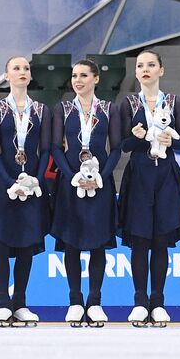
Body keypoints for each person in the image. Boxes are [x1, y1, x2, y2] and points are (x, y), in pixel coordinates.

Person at [118, 50, 180, 324]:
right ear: (135, 72)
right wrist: (137, 137)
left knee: (160, 241)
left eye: (151, 65)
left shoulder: (174, 101)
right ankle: (139, 300)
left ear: (162, 70)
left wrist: (171, 142)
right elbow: (123, 145)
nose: (145, 69)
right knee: (140, 241)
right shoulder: (128, 103)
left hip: (165, 176)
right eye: (140, 66)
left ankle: (158, 301)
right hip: (138, 175)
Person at [50, 58, 122, 326]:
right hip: (72, 184)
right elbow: (56, 148)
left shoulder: (109, 109)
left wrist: (101, 178)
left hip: (100, 184)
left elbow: (115, 148)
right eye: (74, 76)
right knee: (72, 243)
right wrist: (73, 177)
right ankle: (75, 301)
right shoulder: (63, 109)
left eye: (83, 75)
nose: (77, 80)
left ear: (96, 79)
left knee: (97, 244)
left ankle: (94, 301)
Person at [0, 55, 50, 326]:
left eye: (26, 68)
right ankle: (2, 302)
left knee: (25, 241)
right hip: (3, 182)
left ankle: (20, 302)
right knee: (1, 241)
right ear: (7, 75)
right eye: (16, 68)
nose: (22, 71)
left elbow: (45, 150)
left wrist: (35, 180)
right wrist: (11, 182)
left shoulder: (42, 110)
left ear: (30, 76)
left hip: (31, 183)